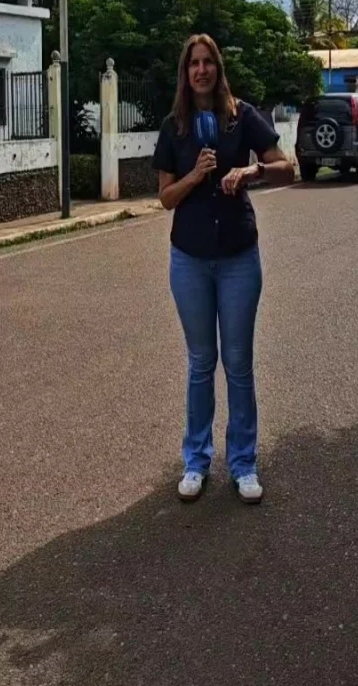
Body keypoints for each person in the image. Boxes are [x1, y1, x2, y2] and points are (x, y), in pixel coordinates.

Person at [152, 34, 294, 504]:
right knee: (200, 363)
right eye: (193, 63)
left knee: (237, 363)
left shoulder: (241, 116)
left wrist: (251, 172)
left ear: (218, 68)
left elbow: (286, 167)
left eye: (208, 62)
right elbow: (165, 197)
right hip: (189, 260)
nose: (201, 70)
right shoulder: (174, 127)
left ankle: (243, 463)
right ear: (185, 72)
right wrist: (196, 175)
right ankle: (196, 461)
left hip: (238, 259)